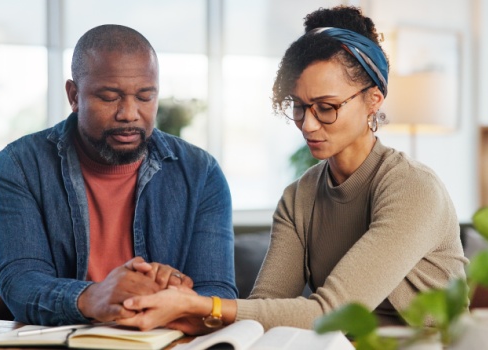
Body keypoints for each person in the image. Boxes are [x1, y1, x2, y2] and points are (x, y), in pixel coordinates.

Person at [115, 6, 468, 334]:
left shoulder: (411, 188)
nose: (308, 125)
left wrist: (203, 305)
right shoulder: (299, 197)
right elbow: (263, 309)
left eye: (327, 107)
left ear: (373, 99)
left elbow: (330, 312)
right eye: (298, 107)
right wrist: (184, 309)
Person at [0, 24, 237, 326]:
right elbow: (20, 282)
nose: (129, 113)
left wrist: (172, 296)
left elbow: (217, 293)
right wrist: (95, 296)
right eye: (109, 97)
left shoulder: (201, 173)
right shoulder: (20, 165)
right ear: (74, 95)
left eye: (145, 97)